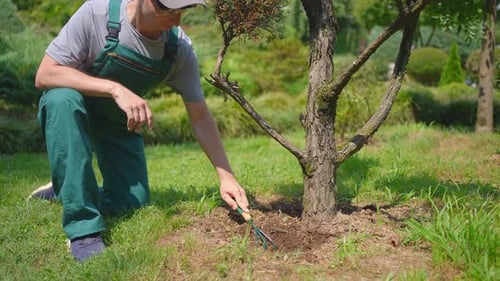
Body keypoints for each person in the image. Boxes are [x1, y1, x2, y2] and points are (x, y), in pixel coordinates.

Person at [29, 0, 250, 262]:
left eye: (182, 12)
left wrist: (226, 176)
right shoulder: (96, 13)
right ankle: (83, 231)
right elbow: (45, 74)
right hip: (71, 112)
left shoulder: (177, 49)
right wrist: (115, 89)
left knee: (132, 203)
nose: (176, 21)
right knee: (60, 99)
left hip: (118, 123)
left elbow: (200, 117)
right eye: (167, 10)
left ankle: (67, 188)